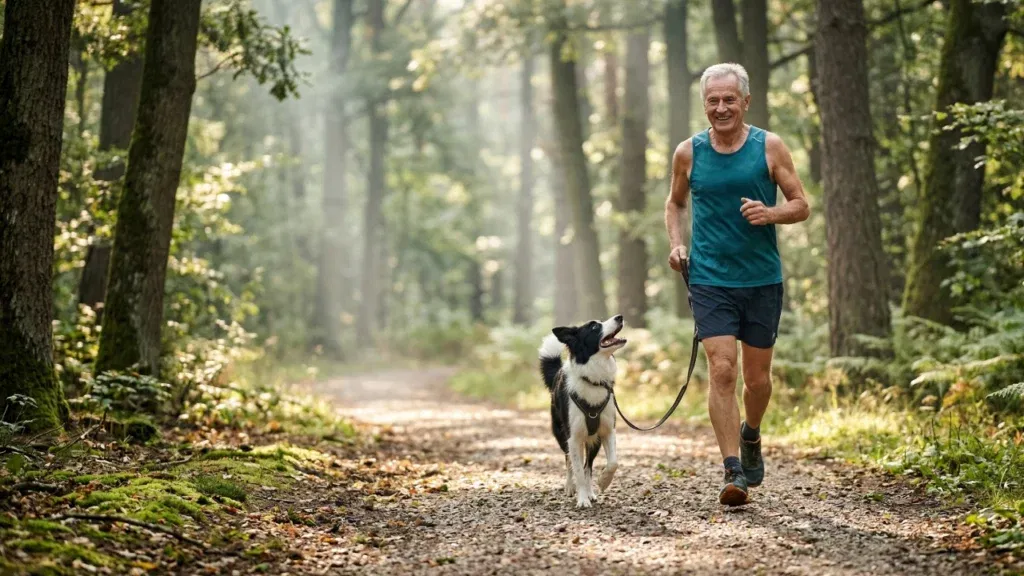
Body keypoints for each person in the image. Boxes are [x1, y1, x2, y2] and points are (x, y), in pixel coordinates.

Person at [664, 62, 810, 506]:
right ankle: (733, 472)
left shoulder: (770, 147)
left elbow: (802, 204)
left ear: (745, 102)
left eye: (730, 99)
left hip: (762, 279)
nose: (721, 107)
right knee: (722, 369)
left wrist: (770, 214)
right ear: (704, 104)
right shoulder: (688, 153)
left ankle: (751, 434)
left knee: (757, 380)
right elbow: (674, 205)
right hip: (710, 278)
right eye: (713, 100)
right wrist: (676, 245)